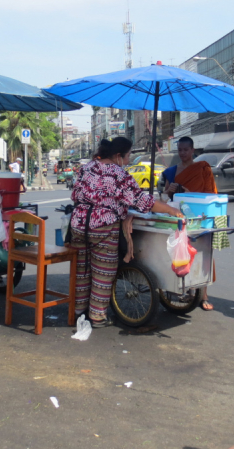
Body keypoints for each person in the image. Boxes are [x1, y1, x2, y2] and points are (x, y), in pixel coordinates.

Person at [69, 137, 184, 328]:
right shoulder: (117, 173)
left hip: (79, 224)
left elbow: (75, 195)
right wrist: (170, 209)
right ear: (118, 156)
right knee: (103, 271)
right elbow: (142, 201)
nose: (129, 160)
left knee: (82, 270)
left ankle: (78, 311)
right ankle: (96, 316)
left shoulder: (87, 167)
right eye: (129, 155)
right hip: (103, 226)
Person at [163, 136, 219, 311]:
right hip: (178, 217)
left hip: (199, 217)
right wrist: (169, 190)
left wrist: (190, 193)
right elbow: (164, 197)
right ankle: (183, 289)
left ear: (192, 150)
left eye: (186, 150)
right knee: (180, 254)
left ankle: (203, 295)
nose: (182, 153)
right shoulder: (171, 171)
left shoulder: (202, 169)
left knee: (203, 254)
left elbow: (211, 196)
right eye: (179, 150)